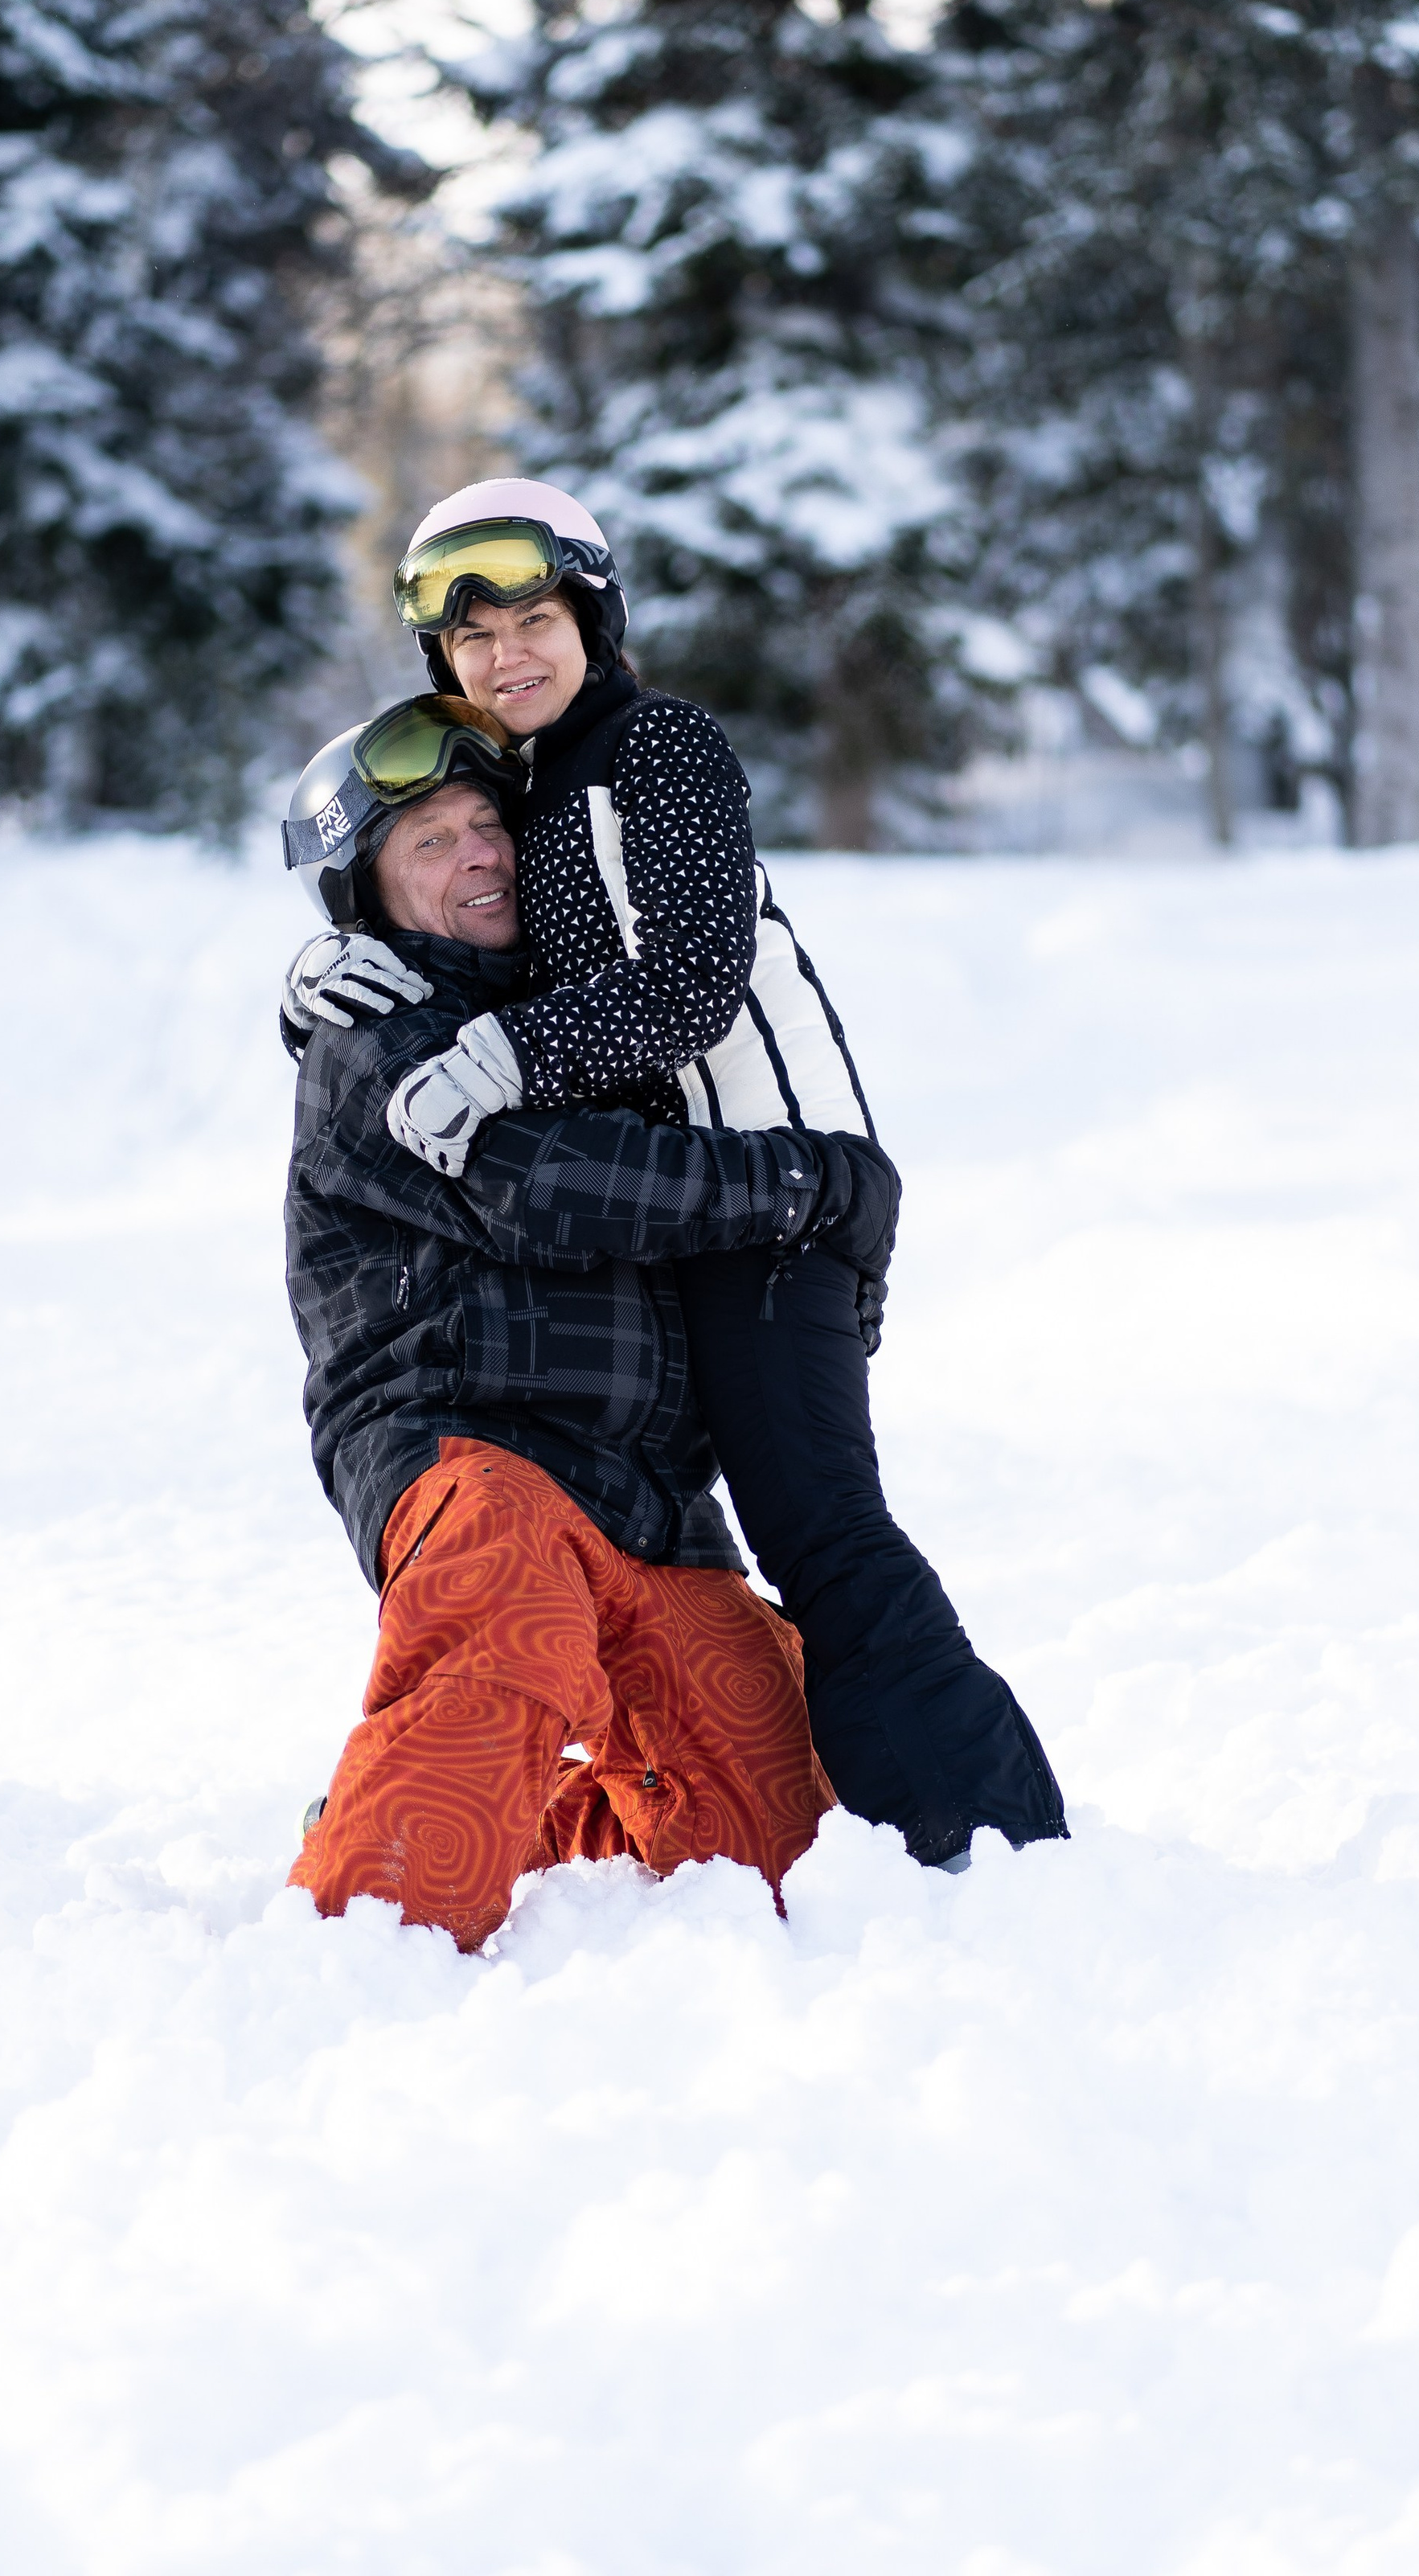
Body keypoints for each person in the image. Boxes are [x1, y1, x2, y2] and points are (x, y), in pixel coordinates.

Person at [286, 478, 1068, 1872]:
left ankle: (975, 1839)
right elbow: (519, 1106)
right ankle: (418, 1870)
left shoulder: (657, 760)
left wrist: (806, 1194)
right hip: (568, 1363)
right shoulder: (459, 913)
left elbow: (693, 984)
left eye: (535, 619)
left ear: (594, 615)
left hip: (720, 1331)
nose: (508, 655)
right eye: (476, 641)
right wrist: (317, 971)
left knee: (805, 1650)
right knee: (684, 1579)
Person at [279, 691, 907, 1951]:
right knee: (508, 1639)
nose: (480, 854)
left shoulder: (578, 1022)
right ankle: (363, 1942)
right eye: (432, 843)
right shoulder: (376, 1043)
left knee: (785, 1830)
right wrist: (808, 1182)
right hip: (465, 1447)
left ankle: (531, 1819)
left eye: (484, 824)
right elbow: (554, 1187)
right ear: (367, 900)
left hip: (647, 1501)